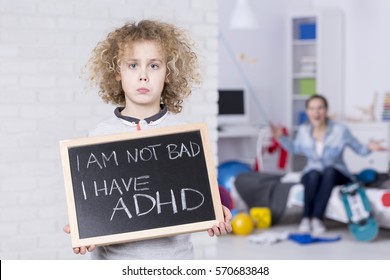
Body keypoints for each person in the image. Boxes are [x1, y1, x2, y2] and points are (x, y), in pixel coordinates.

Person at [63, 19, 232, 259]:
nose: (143, 75)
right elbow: (96, 208)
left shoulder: (186, 138)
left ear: (169, 73)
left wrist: (219, 212)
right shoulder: (99, 137)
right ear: (117, 74)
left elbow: (205, 196)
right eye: (132, 65)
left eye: (154, 66)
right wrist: (85, 231)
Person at [270, 94, 386, 234]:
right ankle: (306, 218)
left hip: (337, 173)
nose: (316, 112)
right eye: (312, 109)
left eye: (320, 108)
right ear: (307, 112)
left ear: (326, 110)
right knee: (312, 174)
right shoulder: (303, 131)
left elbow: (360, 149)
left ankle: (317, 218)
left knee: (329, 171)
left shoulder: (340, 130)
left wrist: (369, 147)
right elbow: (295, 148)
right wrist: (280, 138)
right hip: (313, 173)